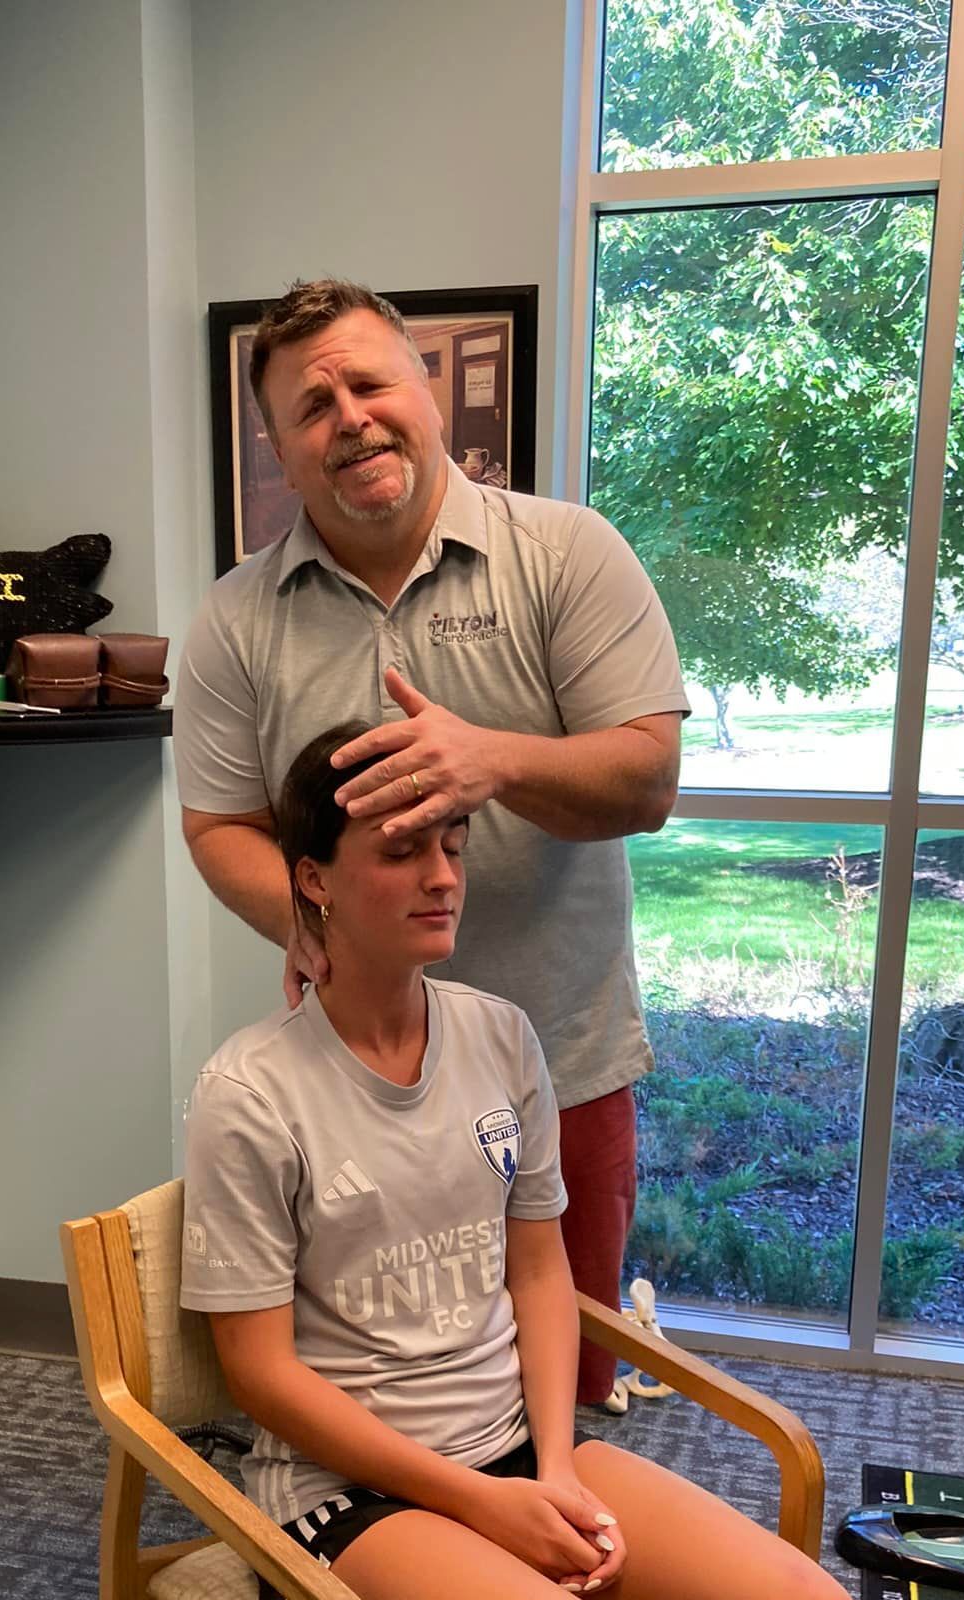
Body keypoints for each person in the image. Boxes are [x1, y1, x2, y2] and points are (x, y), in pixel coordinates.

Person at [180, 726, 866, 1600]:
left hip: (514, 1452)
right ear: (313, 878)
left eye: (451, 842)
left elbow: (544, 1276)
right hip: (346, 1510)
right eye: (401, 849)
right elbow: (255, 1372)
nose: (444, 874)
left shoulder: (499, 1038)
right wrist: (480, 1507)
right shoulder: (251, 1093)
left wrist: (548, 1469)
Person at [175, 277, 690, 1419]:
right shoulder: (234, 620)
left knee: (565, 1383)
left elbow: (649, 777)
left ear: (426, 389)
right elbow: (217, 827)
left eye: (369, 381)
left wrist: (491, 762)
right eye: (310, 408)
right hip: (348, 1084)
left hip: (556, 1059)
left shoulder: (565, 553)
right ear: (279, 451)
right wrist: (315, 928)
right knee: (384, 1391)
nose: (347, 417)